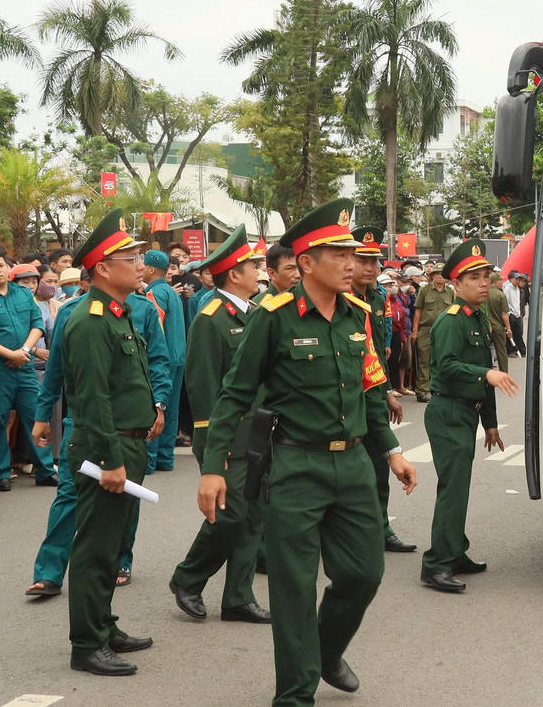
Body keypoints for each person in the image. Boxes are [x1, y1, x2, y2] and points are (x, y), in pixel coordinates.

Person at [197, 199, 417, 705]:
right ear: (305, 263)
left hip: (353, 465)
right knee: (294, 588)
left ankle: (325, 649)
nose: (350, 262)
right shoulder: (272, 318)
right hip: (294, 465)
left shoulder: (357, 316)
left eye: (351, 252)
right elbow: (233, 394)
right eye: (336, 253)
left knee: (363, 574)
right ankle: (295, 694)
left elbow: (369, 390)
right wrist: (213, 468)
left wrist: (391, 452)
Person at [25, 254, 172, 599]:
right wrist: (43, 414)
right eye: (130, 259)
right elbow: (58, 367)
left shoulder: (144, 309)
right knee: (68, 495)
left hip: (131, 423)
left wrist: (160, 406)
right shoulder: (75, 314)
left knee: (124, 494)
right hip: (86, 421)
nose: (139, 267)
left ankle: (120, 559)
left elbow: (159, 362)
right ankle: (49, 572)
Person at [62, 209, 163, 676]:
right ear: (103, 268)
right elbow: (92, 397)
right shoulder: (89, 321)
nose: (140, 263)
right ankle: (86, 644)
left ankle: (104, 625)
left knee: (113, 540)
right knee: (96, 547)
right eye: (131, 257)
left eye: (140, 256)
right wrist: (109, 459)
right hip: (107, 450)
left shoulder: (118, 314)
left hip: (128, 445)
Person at [170, 226, 271, 624]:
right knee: (229, 513)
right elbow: (204, 387)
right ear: (234, 274)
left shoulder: (254, 312)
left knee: (252, 516)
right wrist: (216, 443)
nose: (259, 272)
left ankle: (238, 598)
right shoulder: (210, 320)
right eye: (253, 266)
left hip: (258, 432)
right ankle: (188, 577)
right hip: (226, 437)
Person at [421, 238, 519, 592]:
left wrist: (490, 423)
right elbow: (447, 367)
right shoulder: (450, 322)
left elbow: (484, 367)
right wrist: (486, 376)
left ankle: (454, 551)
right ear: (455, 283)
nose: (483, 282)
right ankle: (436, 564)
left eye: (486, 275)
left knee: (459, 489)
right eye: (474, 277)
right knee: (452, 489)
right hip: (448, 412)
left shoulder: (477, 316)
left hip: (466, 413)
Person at [0, 245, 57, 490]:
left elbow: (36, 324)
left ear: (8, 267)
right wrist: (11, 354)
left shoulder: (24, 293)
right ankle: (1, 474)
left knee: (35, 415)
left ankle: (46, 470)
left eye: (0, 265)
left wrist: (24, 352)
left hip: (25, 367)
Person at [352, 226, 417, 554]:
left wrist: (388, 391)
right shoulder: (342, 299)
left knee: (380, 465)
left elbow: (376, 351)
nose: (369, 266)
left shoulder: (378, 297)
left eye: (374, 260)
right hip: (348, 398)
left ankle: (381, 528)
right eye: (362, 259)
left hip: (374, 391)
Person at [141, 250, 186, 473]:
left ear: (150, 269)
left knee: (156, 408)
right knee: (171, 409)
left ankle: (149, 460)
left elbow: (154, 328)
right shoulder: (169, 291)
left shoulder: (154, 293)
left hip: (163, 359)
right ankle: (165, 458)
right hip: (178, 357)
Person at [412, 262, 455, 401]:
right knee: (424, 360)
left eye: (442, 274)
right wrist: (415, 331)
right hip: (426, 330)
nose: (439, 277)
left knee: (440, 360)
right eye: (436, 274)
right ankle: (422, 390)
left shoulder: (450, 292)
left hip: (443, 331)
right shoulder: (425, 290)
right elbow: (418, 311)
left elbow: (453, 311)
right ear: (432, 276)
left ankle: (435, 388)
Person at [486, 273, 511, 372]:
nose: (502, 282)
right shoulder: (501, 295)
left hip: (486, 327)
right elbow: (504, 314)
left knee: (486, 352)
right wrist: (508, 328)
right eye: (500, 280)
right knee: (501, 352)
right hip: (498, 327)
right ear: (495, 282)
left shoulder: (484, 293)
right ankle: (504, 373)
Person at [504, 271, 527, 357]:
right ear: (512, 280)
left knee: (518, 333)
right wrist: (509, 312)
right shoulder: (507, 288)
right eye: (517, 279)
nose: (518, 281)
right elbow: (506, 301)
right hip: (511, 314)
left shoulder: (518, 289)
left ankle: (522, 350)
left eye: (519, 279)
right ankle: (511, 351)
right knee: (511, 334)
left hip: (517, 314)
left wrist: (519, 313)